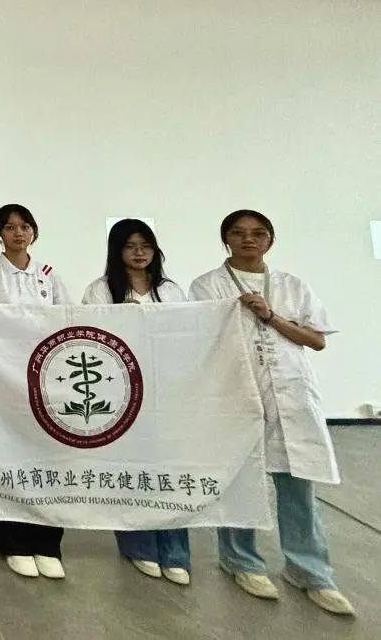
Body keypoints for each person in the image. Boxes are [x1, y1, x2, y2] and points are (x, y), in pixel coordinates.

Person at [190, 210, 355, 617]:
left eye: (258, 233)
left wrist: (271, 316)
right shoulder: (206, 285)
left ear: (270, 240)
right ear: (225, 239)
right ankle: (241, 561)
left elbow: (316, 340)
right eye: (238, 233)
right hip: (237, 393)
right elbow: (198, 338)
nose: (249, 239)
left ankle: (310, 571)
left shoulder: (292, 286)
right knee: (240, 481)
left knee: (297, 484)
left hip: (290, 395)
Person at [0, 203, 70, 581]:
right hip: (5, 380)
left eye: (24, 226)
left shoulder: (49, 276)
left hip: (47, 381)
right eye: (9, 227)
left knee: (49, 460)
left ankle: (48, 544)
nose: (18, 233)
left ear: (34, 231)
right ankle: (14, 543)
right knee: (9, 460)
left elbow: (68, 321)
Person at [82, 219, 190, 586]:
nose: (139, 252)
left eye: (146, 245)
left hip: (167, 390)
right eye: (130, 246)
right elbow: (92, 338)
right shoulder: (100, 291)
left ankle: (176, 551)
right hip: (122, 393)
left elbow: (188, 335)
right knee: (130, 469)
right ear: (117, 251)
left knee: (170, 470)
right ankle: (138, 545)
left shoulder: (170, 291)